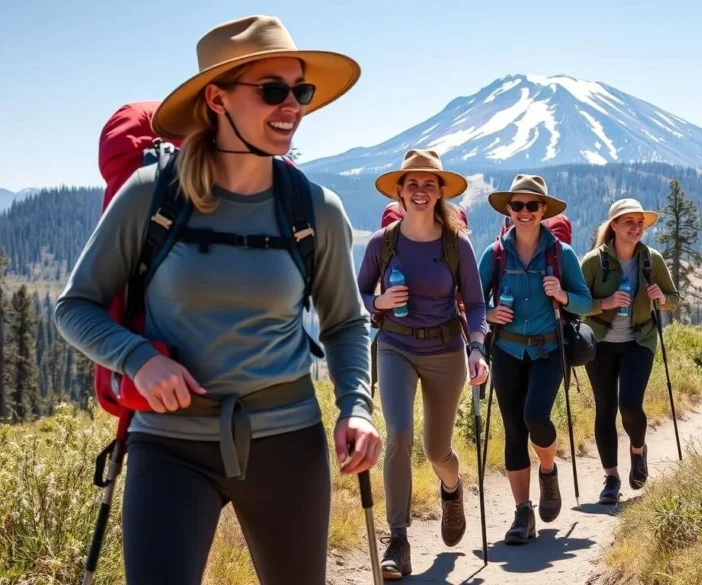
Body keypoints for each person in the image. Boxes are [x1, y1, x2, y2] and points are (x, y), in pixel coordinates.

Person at [54, 15, 379, 584]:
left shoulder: (315, 210)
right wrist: (138, 359)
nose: (293, 106)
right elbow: (74, 306)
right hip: (168, 444)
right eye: (273, 91)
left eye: (300, 91)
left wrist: (355, 406)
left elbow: (346, 324)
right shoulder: (152, 195)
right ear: (217, 98)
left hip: (287, 440)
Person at [357, 149, 489, 579]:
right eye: (411, 183)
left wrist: (476, 346)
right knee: (396, 433)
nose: (420, 191)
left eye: (428, 184)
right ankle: (398, 539)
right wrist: (377, 301)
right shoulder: (383, 243)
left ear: (440, 192)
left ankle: (451, 489)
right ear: (399, 191)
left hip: (446, 350)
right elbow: (355, 296)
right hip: (394, 346)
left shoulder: (457, 244)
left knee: (436, 450)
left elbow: (474, 302)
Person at [477, 174, 592, 544]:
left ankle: (548, 468)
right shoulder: (493, 254)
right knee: (514, 432)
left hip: (547, 350)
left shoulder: (562, 255)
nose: (524, 212)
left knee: (535, 415)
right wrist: (489, 313)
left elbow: (586, 302)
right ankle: (522, 513)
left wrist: (562, 295)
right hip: (506, 350)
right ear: (508, 210)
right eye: (517, 205)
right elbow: (474, 304)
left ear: (543, 210)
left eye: (532, 205)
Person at [579, 198, 679, 504]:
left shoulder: (652, 259)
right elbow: (577, 305)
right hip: (601, 343)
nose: (636, 228)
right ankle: (611, 479)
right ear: (614, 227)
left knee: (631, 406)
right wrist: (604, 304)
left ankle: (638, 450)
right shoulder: (593, 262)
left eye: (640, 223)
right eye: (629, 222)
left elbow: (673, 298)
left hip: (640, 340)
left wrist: (661, 299)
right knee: (605, 409)